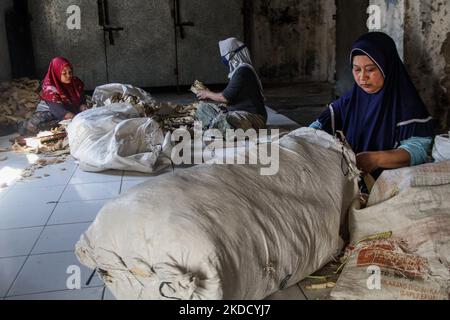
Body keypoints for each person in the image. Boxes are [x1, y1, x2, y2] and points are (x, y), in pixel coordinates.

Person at [310, 32, 434, 180]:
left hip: (389, 183)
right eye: (357, 69)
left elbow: (419, 149)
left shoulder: (407, 106)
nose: (362, 77)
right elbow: (314, 129)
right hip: (349, 183)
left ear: (386, 67)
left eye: (370, 69)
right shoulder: (349, 102)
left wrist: (375, 159)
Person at [195, 37, 267, 135]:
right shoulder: (239, 71)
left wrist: (208, 93)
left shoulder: (242, 72)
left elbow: (225, 97)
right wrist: (209, 94)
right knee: (202, 108)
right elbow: (230, 95)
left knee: (227, 120)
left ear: (231, 55)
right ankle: (217, 126)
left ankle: (217, 127)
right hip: (237, 113)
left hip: (253, 117)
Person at [18, 57, 88, 137]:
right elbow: (58, 111)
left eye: (70, 72)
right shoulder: (50, 88)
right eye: (64, 73)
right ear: (56, 73)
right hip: (51, 112)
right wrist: (77, 120)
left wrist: (83, 106)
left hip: (68, 111)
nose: (68, 75)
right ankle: (23, 125)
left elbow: (82, 99)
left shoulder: (76, 83)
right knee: (42, 127)